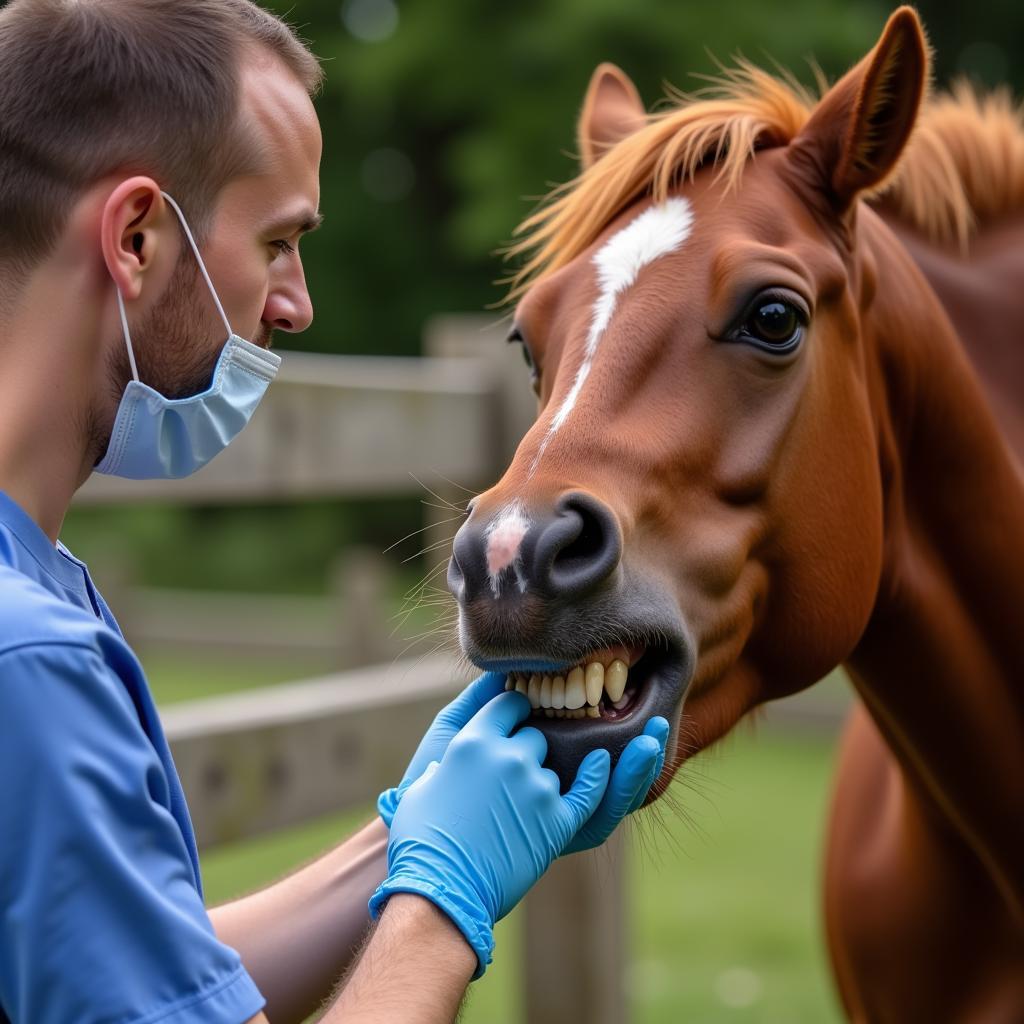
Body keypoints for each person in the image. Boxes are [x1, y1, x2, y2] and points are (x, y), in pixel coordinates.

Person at [0, 3, 669, 1022]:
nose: (295, 302)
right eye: (278, 240)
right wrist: (444, 897)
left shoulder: (31, 601)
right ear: (136, 237)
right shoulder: (30, 665)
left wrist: (406, 833)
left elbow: (138, 975)